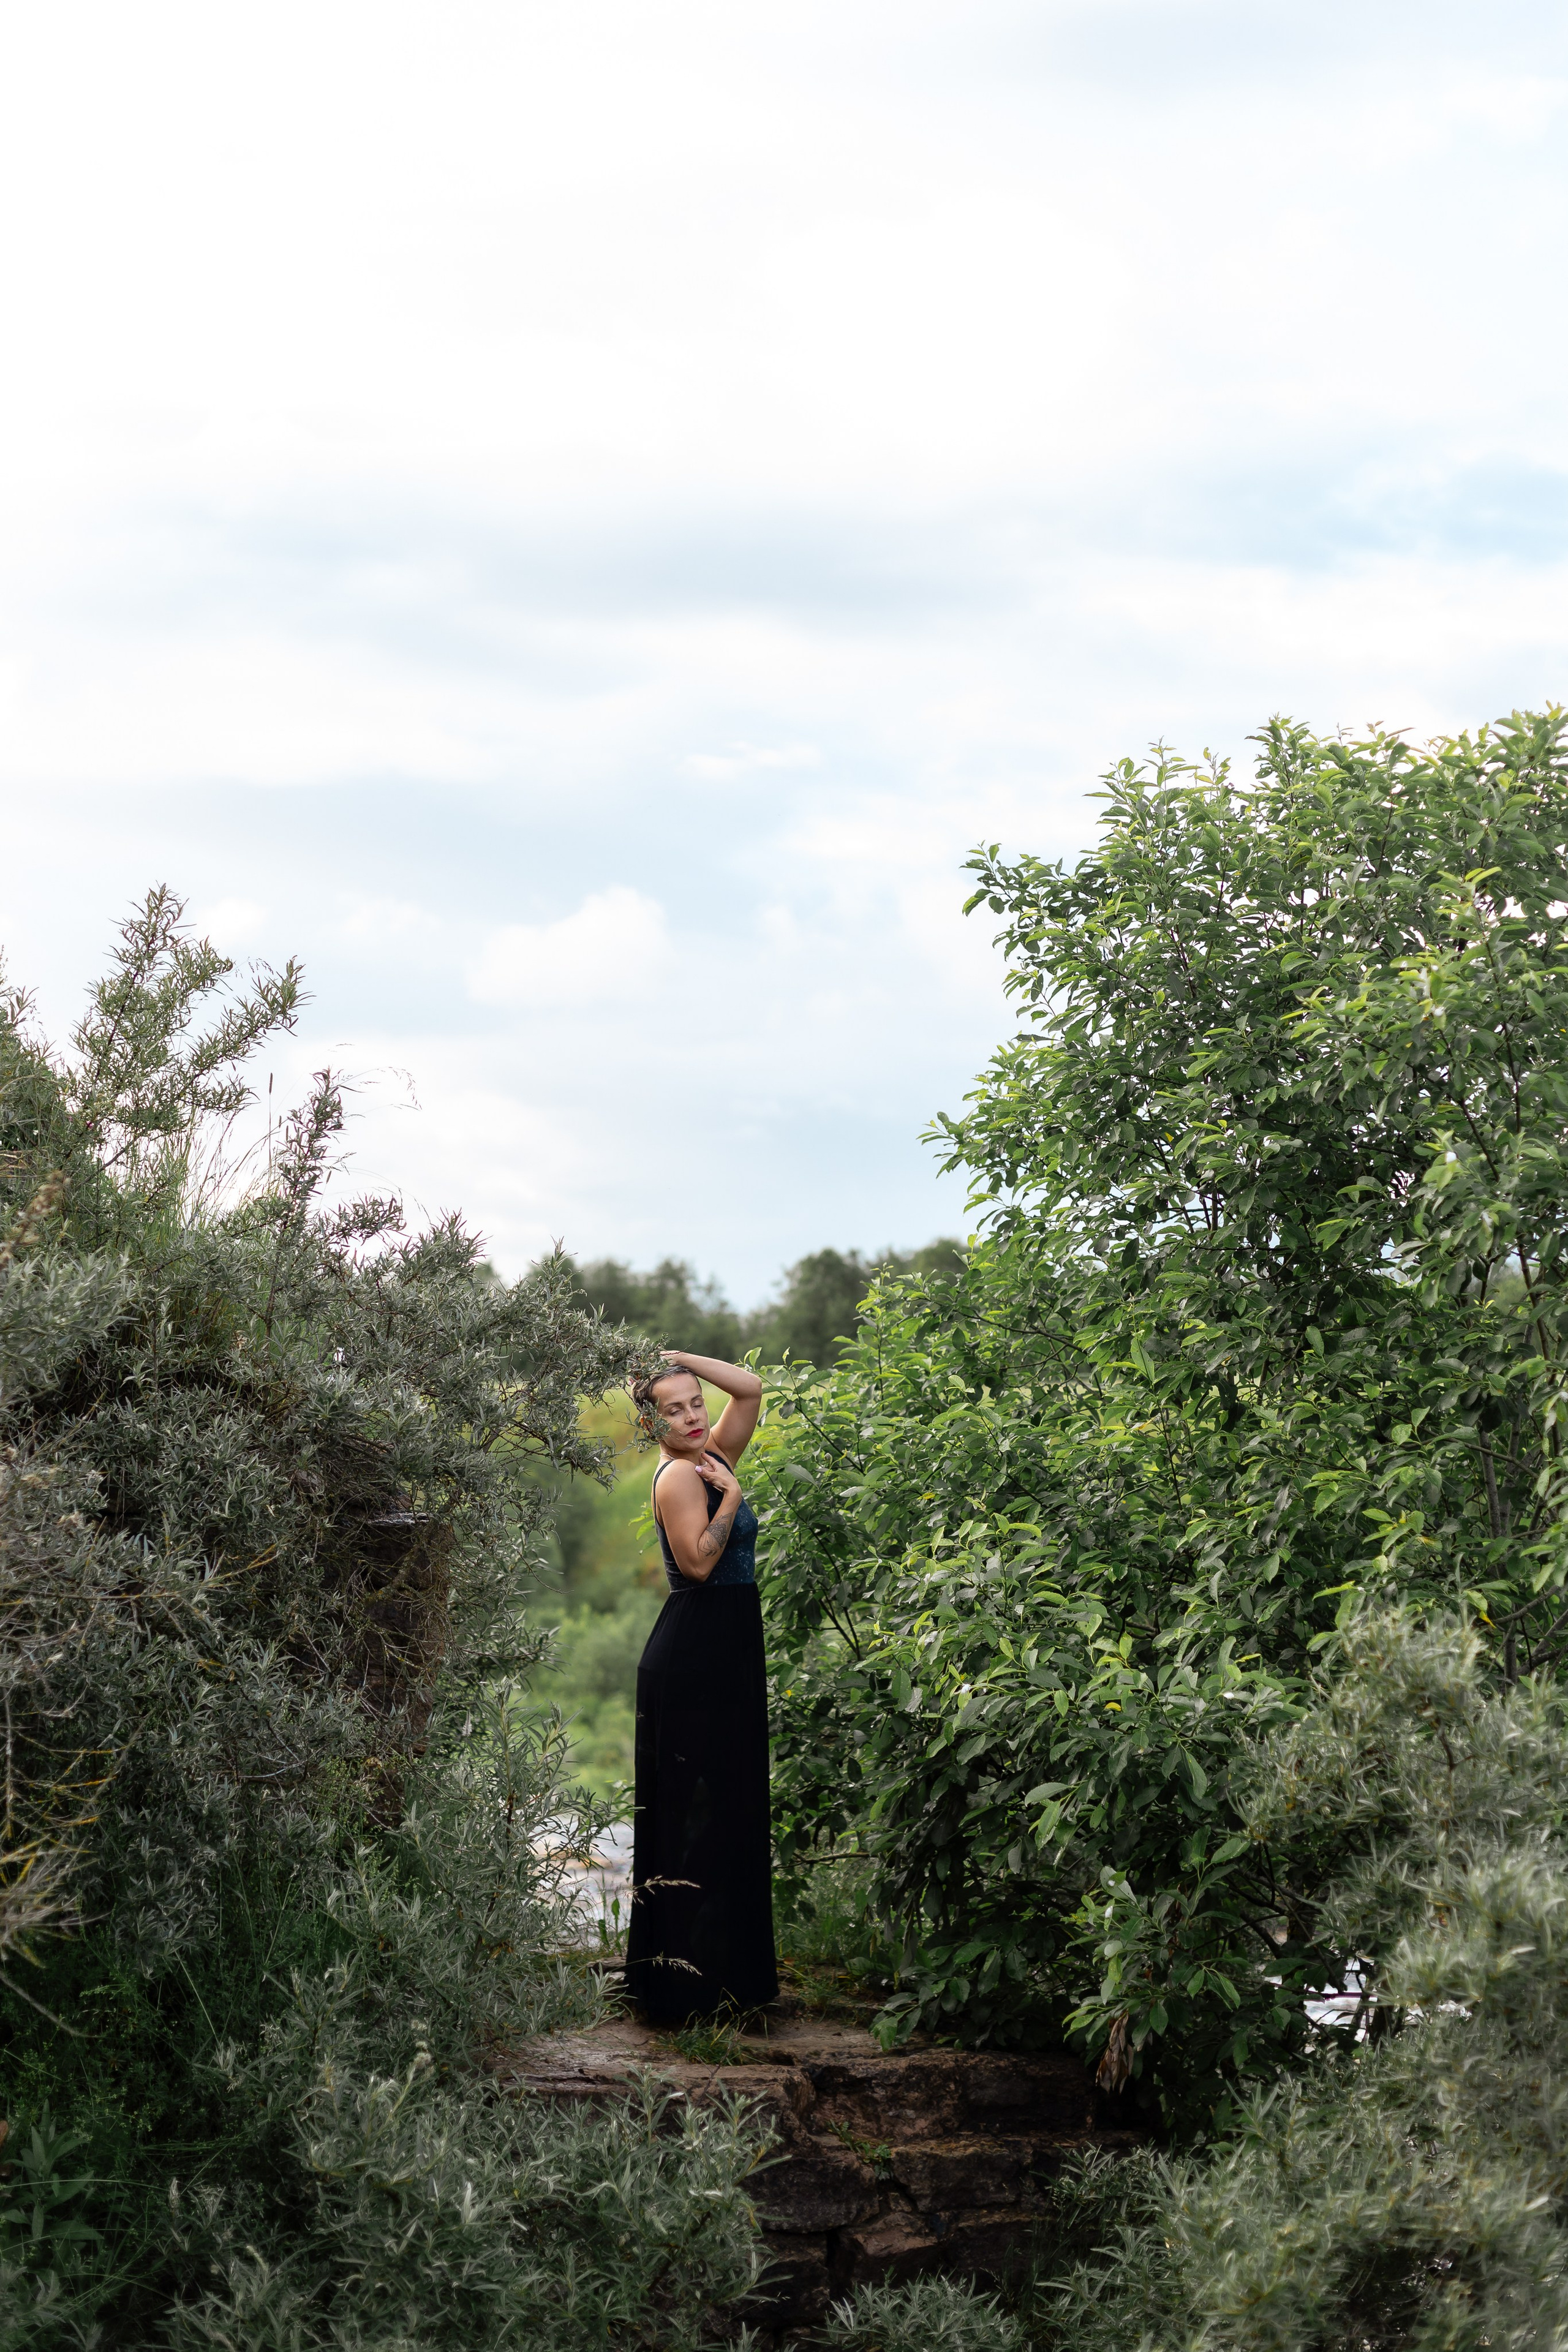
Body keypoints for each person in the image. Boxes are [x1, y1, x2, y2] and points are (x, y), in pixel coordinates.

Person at [623, 1348, 778, 2022]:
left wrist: (678, 1358)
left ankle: (724, 1981)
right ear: (649, 1423)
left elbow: (751, 1388)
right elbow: (699, 1565)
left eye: (695, 1404)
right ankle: (681, 1992)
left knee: (731, 1811)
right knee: (693, 1818)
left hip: (726, 1649)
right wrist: (733, 1498)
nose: (691, 1417)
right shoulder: (682, 1479)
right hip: (695, 1655)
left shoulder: (710, 1453)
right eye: (673, 1409)